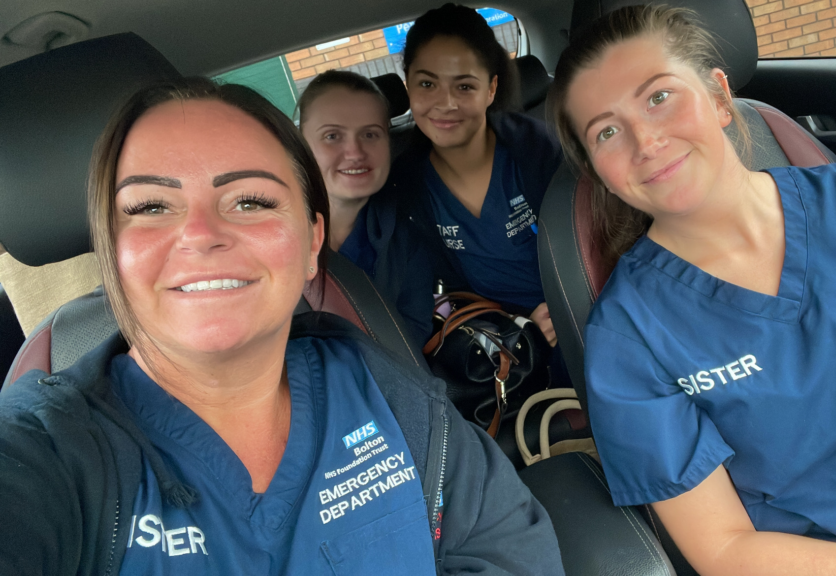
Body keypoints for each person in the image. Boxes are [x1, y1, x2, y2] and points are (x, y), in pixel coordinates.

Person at [0, 77, 563, 575]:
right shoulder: (47, 450)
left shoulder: (388, 393)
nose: (200, 234)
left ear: (311, 243)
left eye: (249, 200)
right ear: (113, 250)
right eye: (149, 207)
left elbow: (513, 548)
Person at [549, 5, 836, 574]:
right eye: (606, 130)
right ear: (597, 167)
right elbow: (723, 546)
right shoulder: (629, 333)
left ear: (720, 97)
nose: (645, 140)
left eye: (658, 96)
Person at [388, 3, 562, 347]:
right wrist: (513, 326)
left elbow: (594, 237)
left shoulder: (537, 151)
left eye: (464, 86)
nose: (445, 103)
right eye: (427, 83)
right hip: (500, 344)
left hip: (576, 309)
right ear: (408, 86)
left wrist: (568, 302)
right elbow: (433, 292)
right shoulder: (405, 186)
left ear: (491, 89)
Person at [297, 70, 434, 346]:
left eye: (371, 134)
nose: (355, 152)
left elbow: (412, 335)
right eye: (332, 136)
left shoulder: (405, 237)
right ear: (301, 145)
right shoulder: (267, 235)